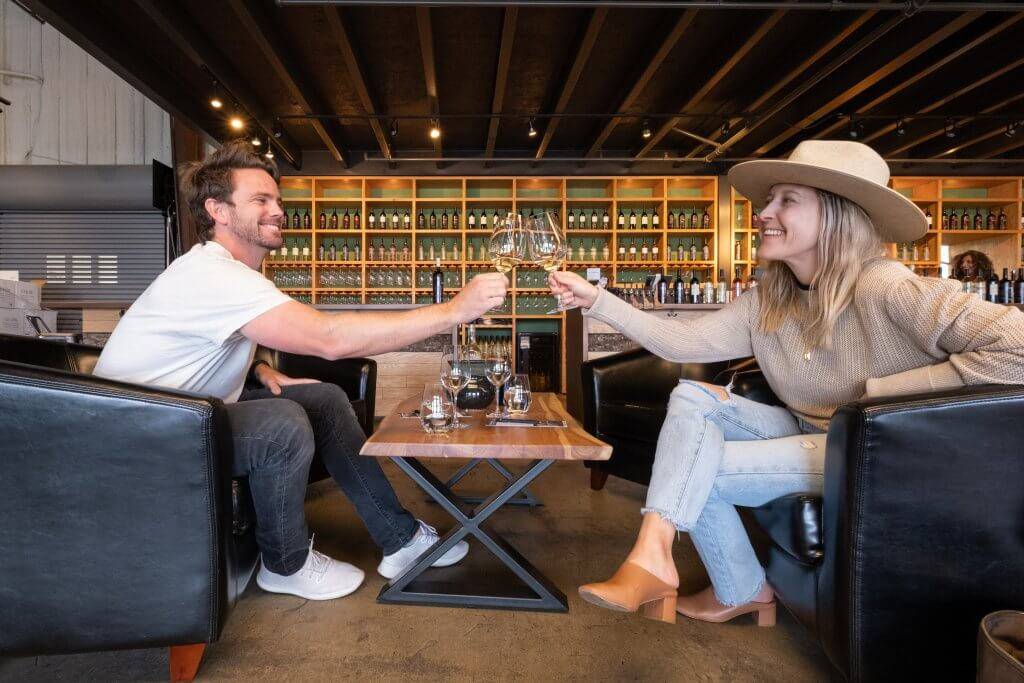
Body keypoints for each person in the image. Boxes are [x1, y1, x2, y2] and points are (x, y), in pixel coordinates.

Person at [548, 140, 1024, 626]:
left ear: (837, 216)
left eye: (787, 201)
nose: (762, 213)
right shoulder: (770, 297)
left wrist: (882, 397)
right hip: (809, 430)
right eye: (768, 200)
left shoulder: (886, 286)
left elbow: (1018, 345)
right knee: (691, 395)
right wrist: (596, 300)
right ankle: (655, 557)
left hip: (873, 448)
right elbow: (681, 343)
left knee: (696, 466)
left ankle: (737, 587)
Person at [94, 141, 509, 601]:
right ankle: (285, 564)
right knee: (280, 424)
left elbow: (200, 342)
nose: (278, 210)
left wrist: (259, 369)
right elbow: (330, 339)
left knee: (325, 399)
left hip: (180, 414)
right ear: (219, 211)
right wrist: (453, 310)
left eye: (277, 200)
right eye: (261, 200)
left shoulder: (228, 274)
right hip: (139, 433)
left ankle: (401, 539)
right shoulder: (213, 275)